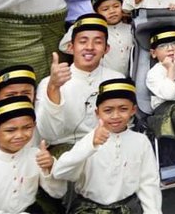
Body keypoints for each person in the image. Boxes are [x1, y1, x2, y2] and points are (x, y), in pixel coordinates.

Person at [52, 79, 165, 214]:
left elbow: (148, 181)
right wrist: (90, 146)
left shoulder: (140, 141)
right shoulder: (87, 140)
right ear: (97, 113)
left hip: (126, 210)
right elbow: (60, 171)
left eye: (123, 109)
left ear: (133, 110)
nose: (115, 116)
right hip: (90, 210)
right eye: (108, 110)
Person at [35, 15, 124, 155]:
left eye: (98, 42)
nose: (89, 47)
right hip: (67, 149)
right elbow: (49, 134)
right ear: (71, 47)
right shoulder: (49, 82)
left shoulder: (117, 79)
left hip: (108, 145)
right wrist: (54, 88)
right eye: (83, 41)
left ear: (106, 49)